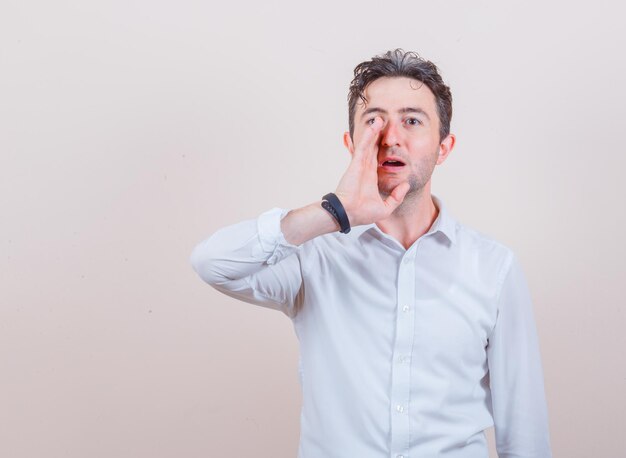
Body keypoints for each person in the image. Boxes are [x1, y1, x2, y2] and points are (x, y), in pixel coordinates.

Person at [190, 49, 553, 458]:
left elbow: (523, 429)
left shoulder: (493, 267)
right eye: (374, 121)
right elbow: (212, 263)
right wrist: (334, 211)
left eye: (412, 121)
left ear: (444, 146)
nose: (390, 137)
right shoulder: (314, 256)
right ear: (351, 143)